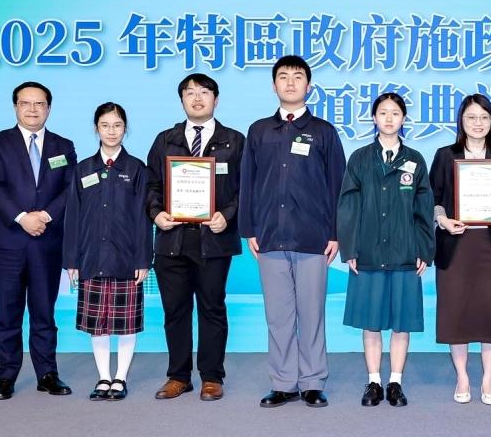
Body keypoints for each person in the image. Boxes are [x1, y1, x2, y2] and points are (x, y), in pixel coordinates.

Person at [240, 55, 346, 408]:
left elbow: (337, 186)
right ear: (274, 86)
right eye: (283, 77)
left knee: (312, 313)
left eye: (297, 77)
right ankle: (283, 382)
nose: (290, 82)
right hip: (269, 236)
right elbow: (247, 182)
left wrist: (336, 233)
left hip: (313, 237)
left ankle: (313, 381)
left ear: (308, 86)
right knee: (278, 315)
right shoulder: (259, 131)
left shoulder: (324, 132)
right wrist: (249, 229)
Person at [146, 74, 244, 402]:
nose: (197, 98)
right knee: (175, 310)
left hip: (213, 239)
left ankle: (212, 377)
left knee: (212, 308)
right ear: (182, 100)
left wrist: (227, 215)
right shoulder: (165, 140)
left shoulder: (234, 141)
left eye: (204, 92)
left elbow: (246, 189)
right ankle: (178, 376)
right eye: (190, 93)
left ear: (216, 99)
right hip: (172, 239)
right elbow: (151, 185)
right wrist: (156, 213)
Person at [0, 81, 77, 400]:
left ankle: (47, 374)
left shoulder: (64, 146)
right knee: (8, 313)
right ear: (15, 107)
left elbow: (71, 189)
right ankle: (6, 376)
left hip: (47, 241)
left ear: (49, 108)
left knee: (44, 312)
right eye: (25, 103)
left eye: (39, 104)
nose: (32, 109)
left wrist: (45, 216)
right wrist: (23, 218)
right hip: (8, 239)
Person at [337, 93, 434, 407]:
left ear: (404, 118)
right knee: (371, 321)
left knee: (401, 322)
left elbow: (424, 208)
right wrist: (350, 248)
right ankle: (374, 382)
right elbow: (348, 207)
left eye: (395, 113)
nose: (389, 118)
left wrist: (424, 249)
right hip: (368, 253)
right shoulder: (360, 158)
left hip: (405, 253)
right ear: (374, 118)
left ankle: (395, 382)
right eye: (383, 112)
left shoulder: (415, 159)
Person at [430, 94, 491, 405]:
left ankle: (488, 378)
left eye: (484, 117)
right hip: (456, 244)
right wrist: (442, 220)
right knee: (455, 311)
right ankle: (462, 376)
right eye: (471, 117)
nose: (478, 123)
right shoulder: (445, 155)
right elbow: (433, 198)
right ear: (461, 121)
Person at [63, 102, 151, 401]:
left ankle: (120, 378)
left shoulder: (136, 169)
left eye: (117, 125)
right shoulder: (83, 169)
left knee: (126, 324)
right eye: (105, 125)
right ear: (96, 129)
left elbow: (143, 218)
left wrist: (143, 259)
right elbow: (72, 216)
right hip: (90, 257)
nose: (111, 131)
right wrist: (72, 259)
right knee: (97, 324)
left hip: (127, 257)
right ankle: (103, 377)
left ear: (125, 128)